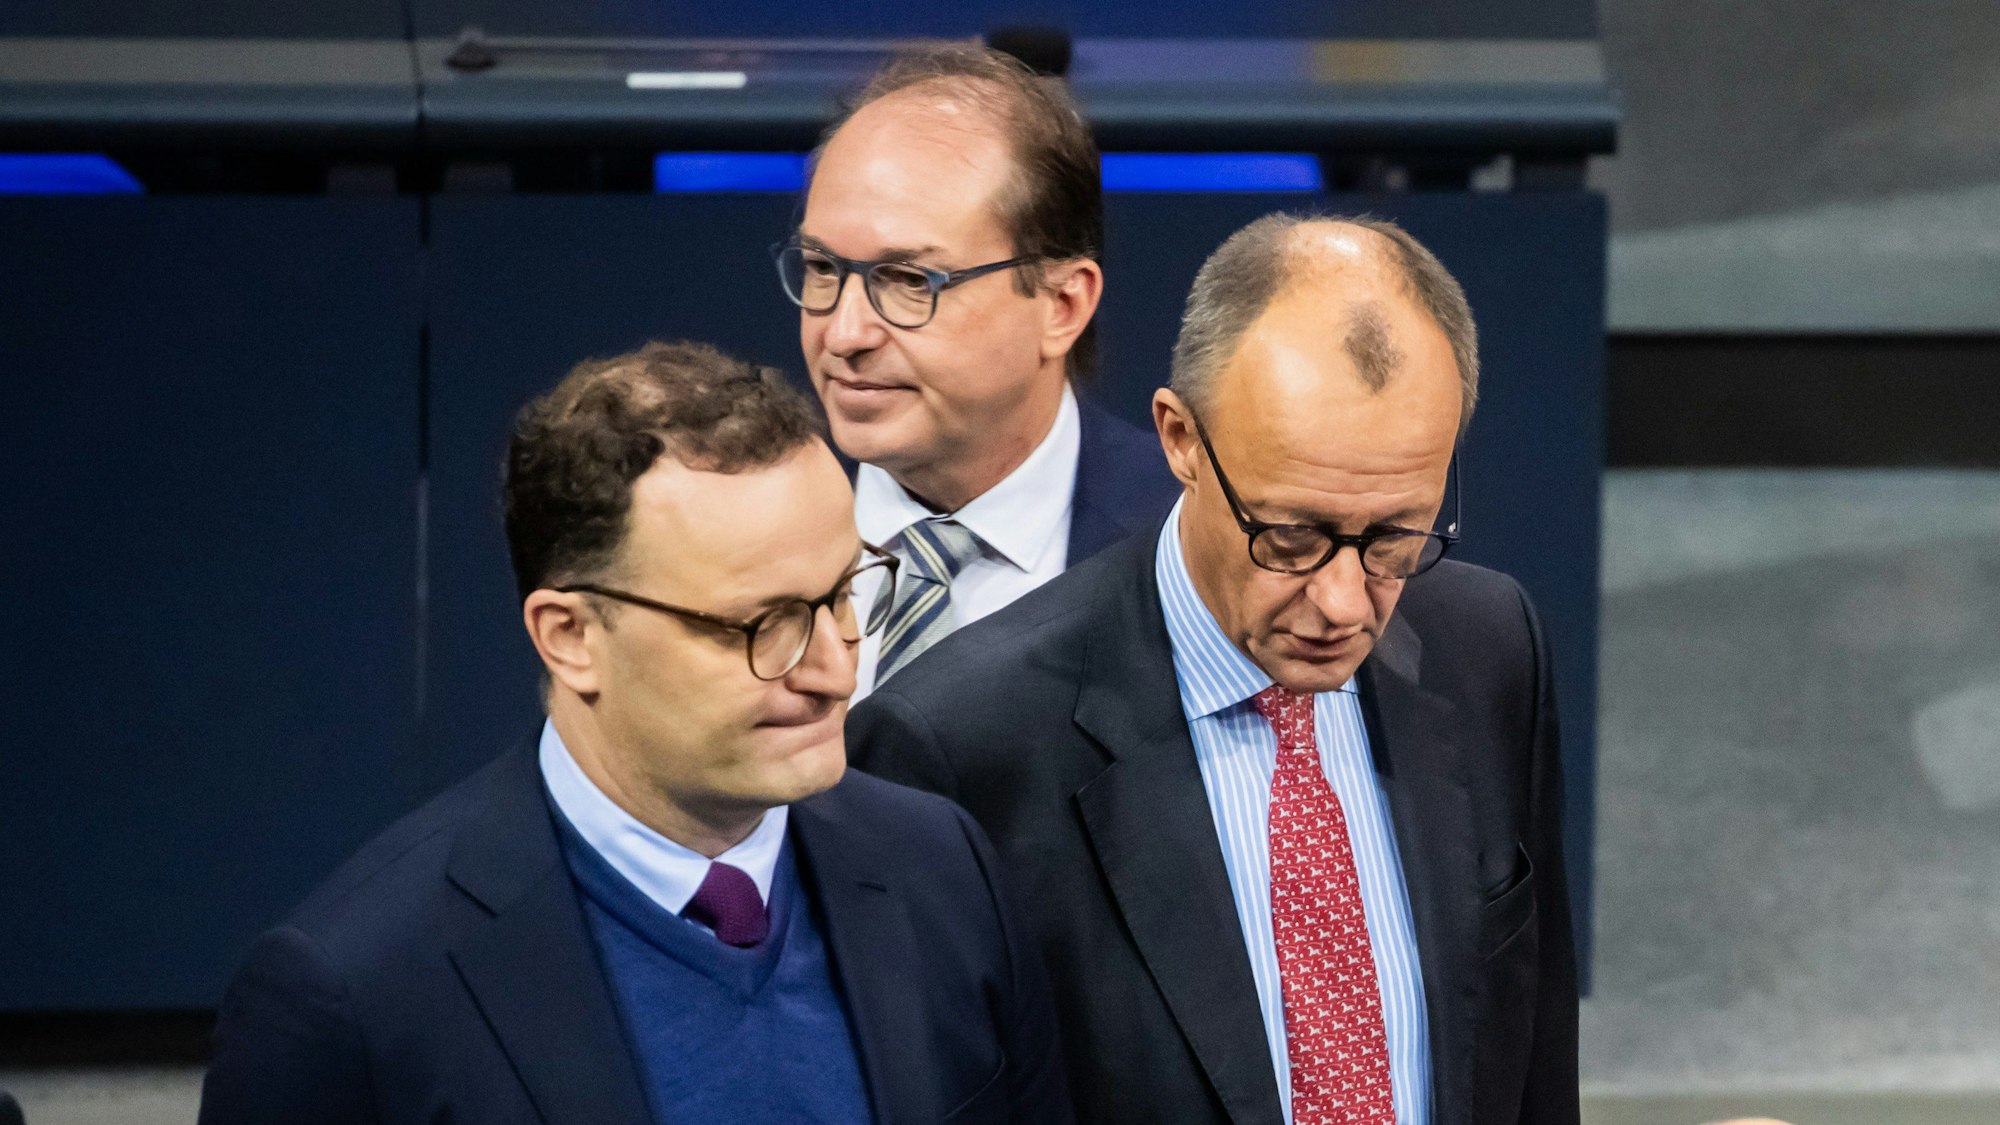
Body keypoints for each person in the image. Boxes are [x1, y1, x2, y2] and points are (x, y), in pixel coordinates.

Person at [200, 341, 1071, 1125]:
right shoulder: (351, 992)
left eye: (843, 594)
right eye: (759, 623)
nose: (835, 667)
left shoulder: (945, 867)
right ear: (570, 637)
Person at [850, 215, 1579, 1125]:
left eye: (1397, 535)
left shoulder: (1492, 645)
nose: (1346, 602)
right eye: (1292, 536)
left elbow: (1533, 1064)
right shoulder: (952, 748)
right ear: (1180, 439)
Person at [776, 45, 1178, 695]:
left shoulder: (1193, 548)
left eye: (908, 280)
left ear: (1061, 304)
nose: (844, 333)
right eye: (823, 269)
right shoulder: (736, 548)